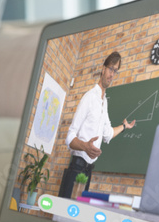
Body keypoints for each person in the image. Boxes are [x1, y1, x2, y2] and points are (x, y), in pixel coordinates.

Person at [57, 52, 136, 198]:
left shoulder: (104, 102)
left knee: (76, 217)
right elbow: (69, 137)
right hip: (77, 167)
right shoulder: (89, 97)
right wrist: (85, 146)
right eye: (111, 69)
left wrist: (124, 126)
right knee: (64, 215)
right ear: (103, 69)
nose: (112, 74)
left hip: (88, 171)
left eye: (115, 71)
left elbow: (108, 134)